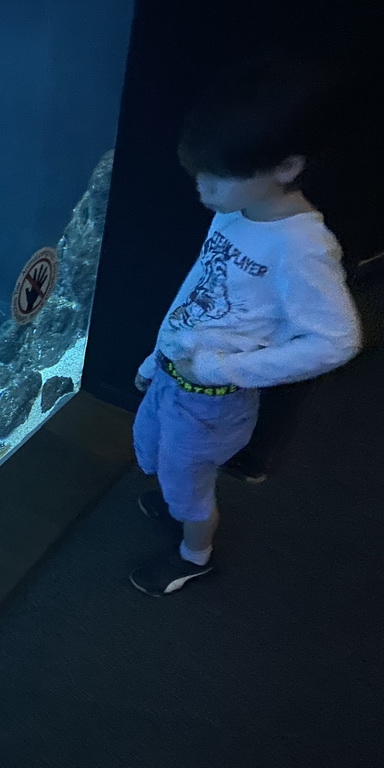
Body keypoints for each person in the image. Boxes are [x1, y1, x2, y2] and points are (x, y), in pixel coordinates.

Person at [130, 56, 363, 596]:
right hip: (174, 374)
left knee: (191, 487)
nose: (202, 189)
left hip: (212, 399)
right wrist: (156, 355)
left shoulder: (301, 247)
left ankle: (195, 555)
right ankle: (177, 503)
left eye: (219, 176)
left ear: (285, 167)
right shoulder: (237, 211)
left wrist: (225, 368)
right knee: (160, 453)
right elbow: (198, 289)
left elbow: (337, 340)